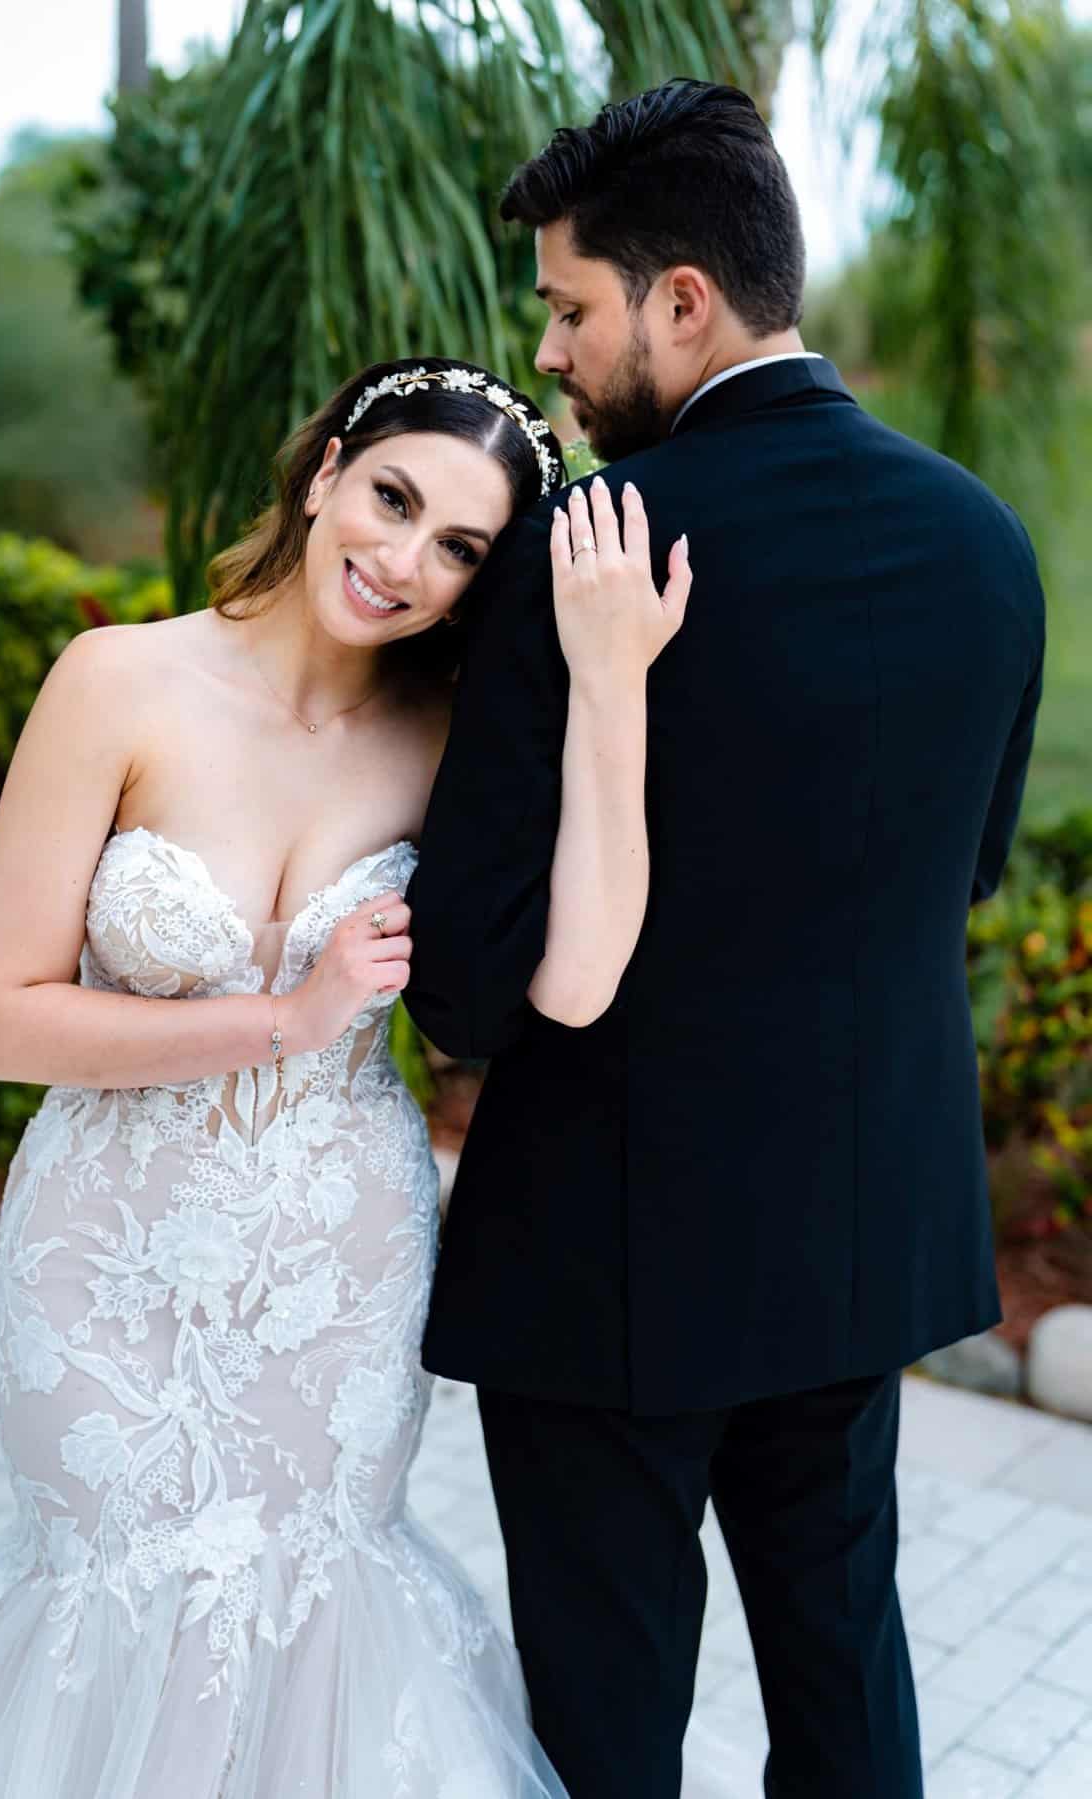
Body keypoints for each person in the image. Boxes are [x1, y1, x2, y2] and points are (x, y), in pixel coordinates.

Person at [0, 355, 690, 1799]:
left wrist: (615, 686)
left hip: (338, 1268)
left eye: (458, 548)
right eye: (391, 499)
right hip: (106, 1259)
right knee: (114, 1605)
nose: (404, 562)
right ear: (324, 472)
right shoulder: (117, 680)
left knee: (314, 1608)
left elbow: (576, 973)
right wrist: (289, 1015)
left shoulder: (449, 738)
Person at [406, 80, 1046, 1799]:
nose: (547, 351)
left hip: (610, 1270)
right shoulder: (986, 547)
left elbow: (466, 982)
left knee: (611, 1738)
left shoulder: (590, 552)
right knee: (847, 1693)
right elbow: (956, 873)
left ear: (681, 299)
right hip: (856, 1240)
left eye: (566, 304)